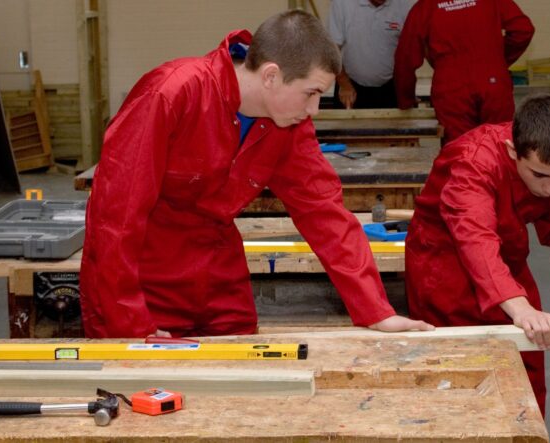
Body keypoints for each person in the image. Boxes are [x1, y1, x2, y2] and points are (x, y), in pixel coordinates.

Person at [79, 10, 434, 339]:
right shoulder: (171, 95)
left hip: (219, 285)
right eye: (310, 94)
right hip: (139, 286)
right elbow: (115, 220)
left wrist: (376, 310)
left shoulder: (288, 126)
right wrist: (130, 324)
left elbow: (325, 214)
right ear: (271, 76)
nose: (313, 110)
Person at [404, 94, 550, 416]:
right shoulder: (474, 162)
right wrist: (518, 306)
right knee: (459, 369)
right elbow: (474, 237)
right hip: (445, 262)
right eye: (539, 176)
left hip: (507, 253)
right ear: (511, 151)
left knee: (530, 353)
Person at [394, 0, 535, 143]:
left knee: (460, 150)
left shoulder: (425, 7)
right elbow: (523, 30)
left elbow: (405, 57)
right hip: (492, 82)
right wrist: (496, 60)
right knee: (498, 147)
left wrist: (406, 100)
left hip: (451, 87)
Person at [328, 0, 414, 109]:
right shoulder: (342, 3)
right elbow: (332, 49)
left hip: (391, 87)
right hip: (350, 87)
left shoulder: (403, 5)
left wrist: (407, 87)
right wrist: (344, 83)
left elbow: (410, 51)